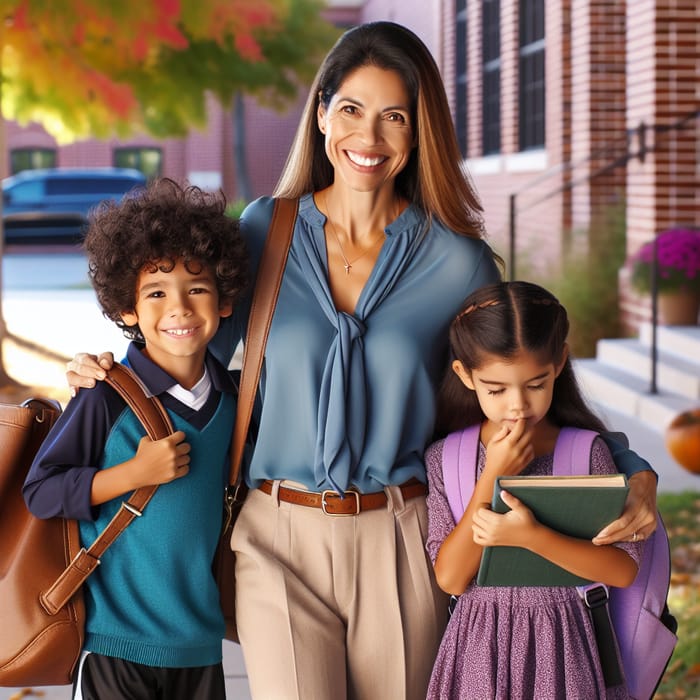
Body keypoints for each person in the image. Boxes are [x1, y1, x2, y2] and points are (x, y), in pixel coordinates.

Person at [65, 22, 657, 699]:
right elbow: (182, 347)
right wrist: (107, 377)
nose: (368, 137)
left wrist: (630, 468)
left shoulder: (456, 261)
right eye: (350, 110)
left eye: (393, 117)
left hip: (401, 535)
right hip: (275, 535)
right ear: (321, 116)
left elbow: (526, 381)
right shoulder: (263, 231)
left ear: (418, 131)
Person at [23, 178, 248, 700]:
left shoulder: (237, 403)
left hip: (199, 647)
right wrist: (133, 475)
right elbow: (42, 492)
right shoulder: (104, 396)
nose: (180, 308)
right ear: (127, 309)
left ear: (225, 301)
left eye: (197, 289)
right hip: (114, 645)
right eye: (156, 292)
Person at [425, 281, 642, 699]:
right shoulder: (446, 460)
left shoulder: (587, 454)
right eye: (497, 389)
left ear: (560, 363)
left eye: (535, 384)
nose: (518, 405)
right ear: (465, 376)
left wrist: (532, 537)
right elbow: (451, 578)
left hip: (565, 650)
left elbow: (623, 570)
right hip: (478, 651)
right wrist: (494, 474)